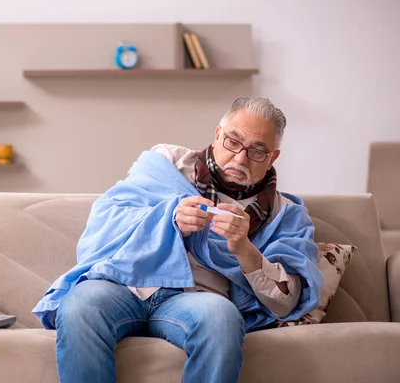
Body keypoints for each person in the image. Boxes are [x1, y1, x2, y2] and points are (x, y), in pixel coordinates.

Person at [32, 97, 324, 383]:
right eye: (233, 142)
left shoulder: (285, 214)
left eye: (256, 151)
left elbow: (288, 301)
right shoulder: (167, 163)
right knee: (81, 304)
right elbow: (105, 222)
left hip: (195, 300)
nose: (239, 158)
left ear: (273, 157)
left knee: (223, 317)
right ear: (217, 134)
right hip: (125, 286)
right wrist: (169, 218)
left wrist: (244, 249)